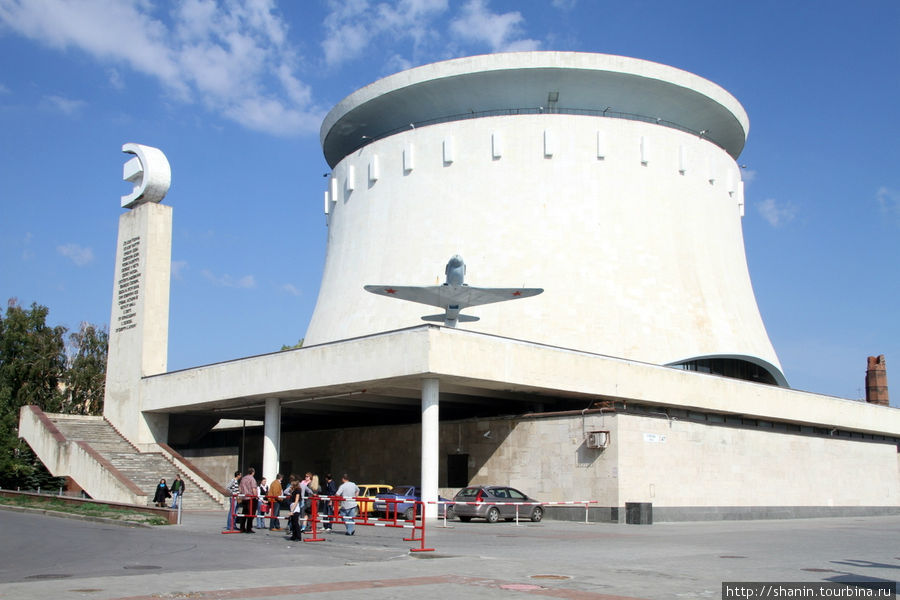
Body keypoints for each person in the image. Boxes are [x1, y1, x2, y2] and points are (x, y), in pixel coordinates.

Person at [238, 467, 258, 533]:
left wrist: (240, 497)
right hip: (251, 498)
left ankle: (242, 527)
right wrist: (256, 496)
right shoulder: (252, 479)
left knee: (244, 513)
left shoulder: (243, 478)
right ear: (253, 472)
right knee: (251, 513)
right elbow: (253, 489)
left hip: (244, 497)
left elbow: (240, 488)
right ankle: (249, 528)